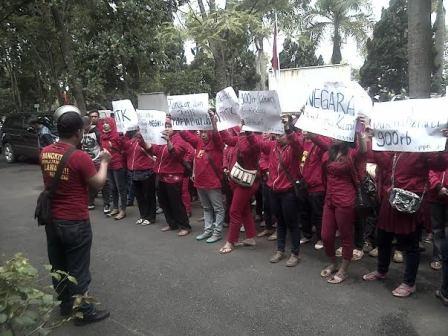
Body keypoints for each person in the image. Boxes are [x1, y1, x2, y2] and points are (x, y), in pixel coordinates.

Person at [40, 105, 110, 325]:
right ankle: (83, 313)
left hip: (52, 220)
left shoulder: (45, 152)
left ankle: (65, 306)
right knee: (78, 269)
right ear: (79, 132)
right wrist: (105, 162)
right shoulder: (79, 157)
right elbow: (97, 184)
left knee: (58, 266)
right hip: (75, 221)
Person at [363, 150, 447, 297]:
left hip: (410, 199)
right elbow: (380, 159)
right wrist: (374, 138)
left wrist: (444, 145)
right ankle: (381, 270)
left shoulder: (421, 144)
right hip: (390, 197)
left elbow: (439, 164)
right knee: (383, 238)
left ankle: (409, 283)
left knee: (410, 244)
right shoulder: (393, 144)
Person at [319, 124, 368, 284]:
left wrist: (360, 130)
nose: (334, 136)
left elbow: (363, 151)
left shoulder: (352, 153)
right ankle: (333, 263)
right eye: (333, 133)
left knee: (346, 237)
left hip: (346, 200)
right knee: (326, 236)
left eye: (339, 134)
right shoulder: (329, 153)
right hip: (329, 199)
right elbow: (324, 175)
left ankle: (343, 269)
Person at [142, 117, 192, 236]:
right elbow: (153, 150)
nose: (167, 128)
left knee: (176, 203)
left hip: (173, 176)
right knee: (164, 202)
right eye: (165, 126)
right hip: (161, 175)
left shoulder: (179, 140)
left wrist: (168, 141)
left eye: (169, 126)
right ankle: (172, 223)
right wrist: (142, 140)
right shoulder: (160, 139)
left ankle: (185, 226)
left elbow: (176, 154)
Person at [180, 113, 225, 243]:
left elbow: (216, 135)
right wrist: (177, 122)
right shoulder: (198, 142)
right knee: (206, 208)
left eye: (206, 132)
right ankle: (207, 230)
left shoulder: (217, 144)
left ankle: (217, 232)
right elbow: (186, 135)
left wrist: (213, 122)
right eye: (201, 132)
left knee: (218, 209)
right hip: (200, 183)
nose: (203, 134)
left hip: (213, 183)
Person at [264, 123, 304, 267]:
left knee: (292, 223)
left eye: (281, 135)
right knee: (280, 222)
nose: (278, 138)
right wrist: (248, 128)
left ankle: (295, 253)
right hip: (274, 191)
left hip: (288, 192)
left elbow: (297, 143)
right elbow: (257, 144)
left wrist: (288, 128)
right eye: (277, 135)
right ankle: (280, 250)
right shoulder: (272, 147)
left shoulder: (295, 150)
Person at [219, 124, 261, 254]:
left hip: (246, 183)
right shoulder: (241, 138)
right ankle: (250, 237)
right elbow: (228, 140)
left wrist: (245, 132)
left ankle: (231, 241)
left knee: (234, 211)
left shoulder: (255, 141)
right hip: (237, 180)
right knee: (244, 210)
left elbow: (244, 148)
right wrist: (218, 125)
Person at [299, 133, 331, 250]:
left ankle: (321, 238)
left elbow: (327, 147)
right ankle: (307, 234)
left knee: (318, 214)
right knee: (304, 211)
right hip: (304, 184)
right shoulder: (304, 142)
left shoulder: (321, 142)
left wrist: (314, 136)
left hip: (317, 186)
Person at [123, 129, 157, 226]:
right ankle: (143, 216)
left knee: (149, 195)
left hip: (147, 171)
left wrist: (142, 138)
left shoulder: (148, 140)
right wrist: (124, 134)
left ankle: (151, 217)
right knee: (139, 196)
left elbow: (150, 149)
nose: (138, 131)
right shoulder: (132, 141)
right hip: (134, 172)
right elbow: (124, 147)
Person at [81, 110, 111, 214]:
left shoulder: (97, 133)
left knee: (104, 182)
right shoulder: (82, 133)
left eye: (85, 127)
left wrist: (103, 157)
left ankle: (107, 204)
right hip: (87, 161)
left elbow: (103, 146)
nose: (84, 129)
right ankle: (90, 201)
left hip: (98, 161)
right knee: (90, 182)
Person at [101, 121, 127, 220]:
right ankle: (115, 207)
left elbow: (123, 148)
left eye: (107, 122)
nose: (105, 124)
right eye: (103, 122)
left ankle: (123, 210)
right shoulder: (102, 136)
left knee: (121, 187)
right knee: (112, 187)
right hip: (109, 164)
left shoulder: (117, 135)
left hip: (117, 163)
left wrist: (114, 146)